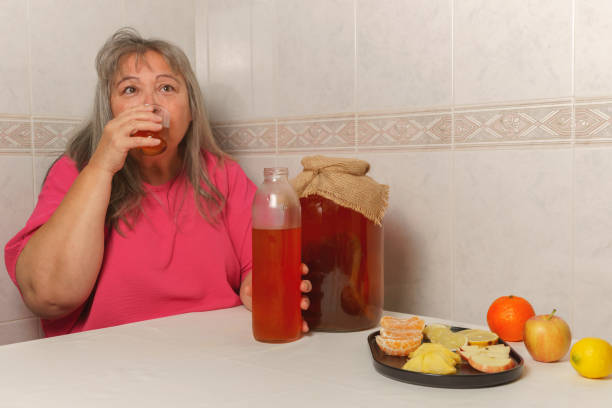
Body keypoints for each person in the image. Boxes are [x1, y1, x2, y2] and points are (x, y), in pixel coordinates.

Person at [4, 28, 311, 337]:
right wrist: (101, 167)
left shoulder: (221, 173)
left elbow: (258, 266)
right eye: (129, 90)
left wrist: (258, 287)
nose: (150, 105)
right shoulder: (76, 172)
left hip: (213, 352)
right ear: (109, 110)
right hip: (105, 364)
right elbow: (48, 297)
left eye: (166, 88)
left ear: (190, 110)